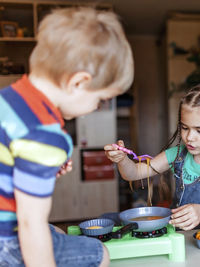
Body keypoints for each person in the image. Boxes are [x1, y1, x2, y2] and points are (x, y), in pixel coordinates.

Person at [0, 7, 133, 267]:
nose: (97, 106)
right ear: (78, 83)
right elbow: (30, 223)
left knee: (58, 233)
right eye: (101, 99)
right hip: (7, 240)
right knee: (98, 253)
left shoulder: (8, 99)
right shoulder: (44, 134)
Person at [105, 84, 200, 235]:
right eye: (184, 128)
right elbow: (134, 173)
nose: (189, 137)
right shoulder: (176, 154)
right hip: (176, 236)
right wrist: (122, 160)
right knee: (108, 219)